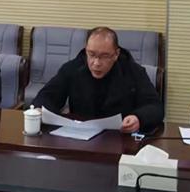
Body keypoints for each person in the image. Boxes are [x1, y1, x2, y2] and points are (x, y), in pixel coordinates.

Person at [32, 27, 164, 134]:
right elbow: (46, 96)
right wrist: (39, 110)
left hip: (119, 138)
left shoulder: (133, 71)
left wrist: (138, 118)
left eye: (104, 56)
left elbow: (155, 107)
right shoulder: (72, 68)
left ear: (116, 54)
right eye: (91, 54)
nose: (96, 63)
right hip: (80, 136)